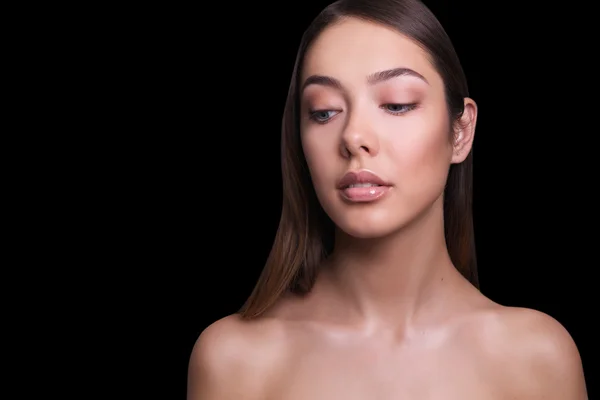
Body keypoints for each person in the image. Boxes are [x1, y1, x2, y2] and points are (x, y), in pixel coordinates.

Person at [187, 0, 587, 398]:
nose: (353, 136)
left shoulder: (536, 358)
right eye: (324, 112)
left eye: (396, 104)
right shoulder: (235, 360)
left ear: (461, 131)